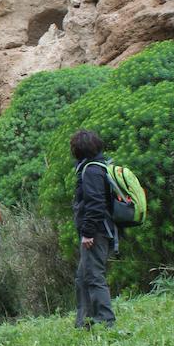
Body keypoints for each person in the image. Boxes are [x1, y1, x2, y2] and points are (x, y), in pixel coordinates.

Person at [71, 129, 116, 328]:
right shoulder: (99, 166)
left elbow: (95, 204)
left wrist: (88, 233)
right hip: (100, 229)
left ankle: (106, 321)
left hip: (96, 232)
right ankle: (84, 321)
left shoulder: (91, 170)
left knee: (94, 275)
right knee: (83, 277)